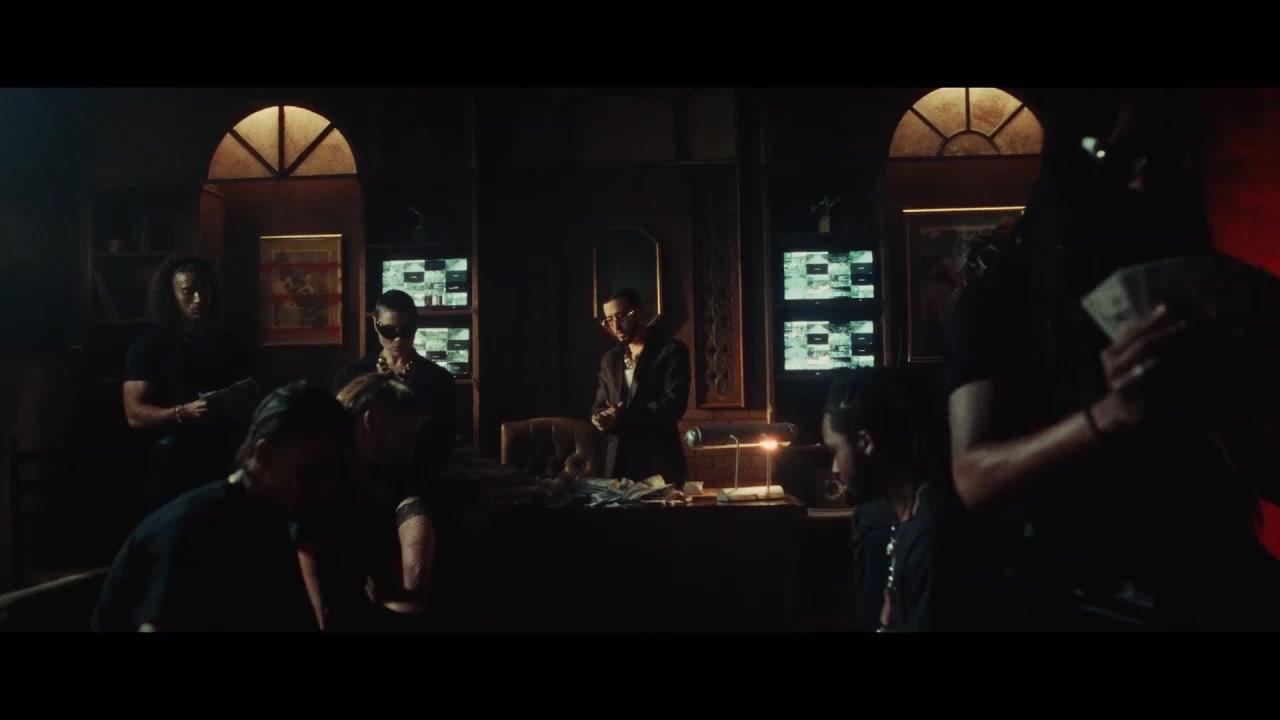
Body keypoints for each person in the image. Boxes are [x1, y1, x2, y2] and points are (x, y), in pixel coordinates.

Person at [945, 88, 1280, 631]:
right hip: (1072, 596)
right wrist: (1108, 417)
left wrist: (1222, 407)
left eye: (1164, 158)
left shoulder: (1221, 291)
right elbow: (974, 476)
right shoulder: (1003, 298)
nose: (1143, 183)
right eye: (1119, 158)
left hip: (1218, 591)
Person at [90, 381, 352, 632]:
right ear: (264, 456)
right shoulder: (190, 529)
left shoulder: (272, 519)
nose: (324, 489)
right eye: (311, 473)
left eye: (332, 475)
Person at [297, 374, 437, 631]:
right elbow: (326, 615)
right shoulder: (321, 489)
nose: (409, 452)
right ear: (371, 422)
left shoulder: (361, 484)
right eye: (406, 437)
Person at [122, 255, 254, 511]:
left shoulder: (228, 343)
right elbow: (134, 414)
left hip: (221, 451)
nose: (198, 299)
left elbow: (248, 394)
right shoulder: (149, 346)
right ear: (170, 294)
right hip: (172, 455)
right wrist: (182, 412)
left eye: (205, 291)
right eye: (188, 291)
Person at [824, 368, 937, 632]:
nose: (834, 468)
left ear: (865, 442)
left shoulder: (929, 537)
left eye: (835, 450)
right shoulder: (908, 514)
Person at [333, 289, 457, 492]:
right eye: (390, 332)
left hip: (421, 483)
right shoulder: (349, 377)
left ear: (416, 326)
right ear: (375, 324)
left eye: (406, 331)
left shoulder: (439, 380)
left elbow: (443, 444)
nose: (398, 339)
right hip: (359, 486)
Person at [591, 288, 691, 485]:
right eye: (609, 320)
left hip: (660, 462)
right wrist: (600, 418)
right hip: (617, 465)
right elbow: (599, 405)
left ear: (638, 313)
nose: (616, 326)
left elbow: (674, 405)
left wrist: (622, 416)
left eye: (621, 316)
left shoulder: (672, 350)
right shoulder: (610, 359)